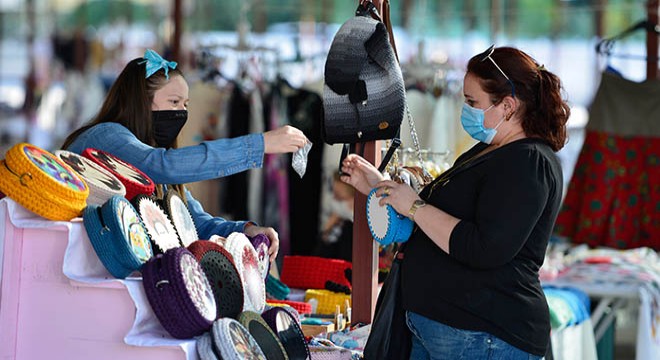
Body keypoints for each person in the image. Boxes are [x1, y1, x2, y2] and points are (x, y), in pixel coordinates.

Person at [340, 45, 569, 359]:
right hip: (447, 329)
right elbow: (441, 219)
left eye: (473, 102)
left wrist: (414, 207)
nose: (466, 109)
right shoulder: (490, 150)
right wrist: (382, 188)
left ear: (508, 106)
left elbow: (483, 247)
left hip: (483, 335)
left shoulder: (528, 162)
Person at [62, 49, 309, 263]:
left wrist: (247, 230)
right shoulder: (106, 136)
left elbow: (195, 222)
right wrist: (259, 144)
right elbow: (162, 165)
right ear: (141, 102)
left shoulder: (156, 159)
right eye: (174, 101)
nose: (182, 112)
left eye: (186, 104)